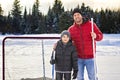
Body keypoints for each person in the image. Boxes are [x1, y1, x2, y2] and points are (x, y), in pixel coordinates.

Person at [68, 8, 103, 80]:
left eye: (78, 14)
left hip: (90, 57)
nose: (76, 16)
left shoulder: (91, 25)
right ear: (73, 17)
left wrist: (96, 36)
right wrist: (58, 44)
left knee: (92, 77)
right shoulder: (71, 29)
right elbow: (66, 41)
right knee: (79, 77)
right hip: (78, 58)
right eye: (74, 15)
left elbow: (100, 36)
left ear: (81, 15)